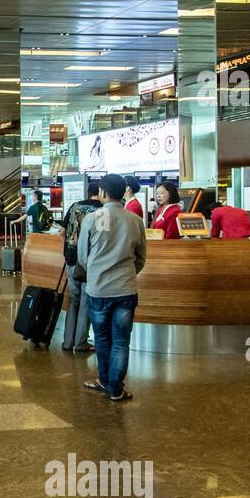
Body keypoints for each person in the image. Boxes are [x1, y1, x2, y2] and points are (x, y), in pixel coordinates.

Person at [76, 173, 147, 403]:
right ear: (123, 192)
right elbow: (141, 257)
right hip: (126, 289)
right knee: (121, 341)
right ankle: (115, 389)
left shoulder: (91, 218)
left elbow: (83, 257)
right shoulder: (134, 220)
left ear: (103, 193)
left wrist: (97, 272)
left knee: (102, 339)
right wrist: (126, 274)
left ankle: (105, 380)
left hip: (98, 290)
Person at [60, 195, 103, 352]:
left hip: (71, 258)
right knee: (86, 302)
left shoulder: (74, 206)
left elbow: (62, 231)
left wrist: (65, 251)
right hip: (89, 262)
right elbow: (101, 239)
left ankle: (67, 342)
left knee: (73, 300)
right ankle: (81, 343)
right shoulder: (101, 210)